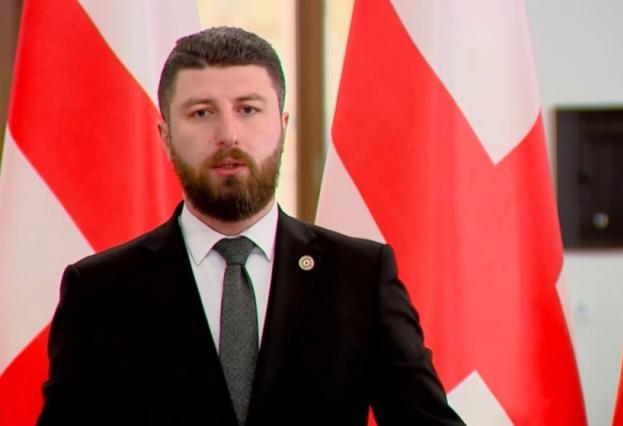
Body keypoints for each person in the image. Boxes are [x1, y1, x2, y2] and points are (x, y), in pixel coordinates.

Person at [38, 27, 464, 426]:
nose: (228, 135)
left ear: (282, 126)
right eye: (201, 113)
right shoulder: (99, 290)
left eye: (247, 109)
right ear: (165, 136)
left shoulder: (360, 275)